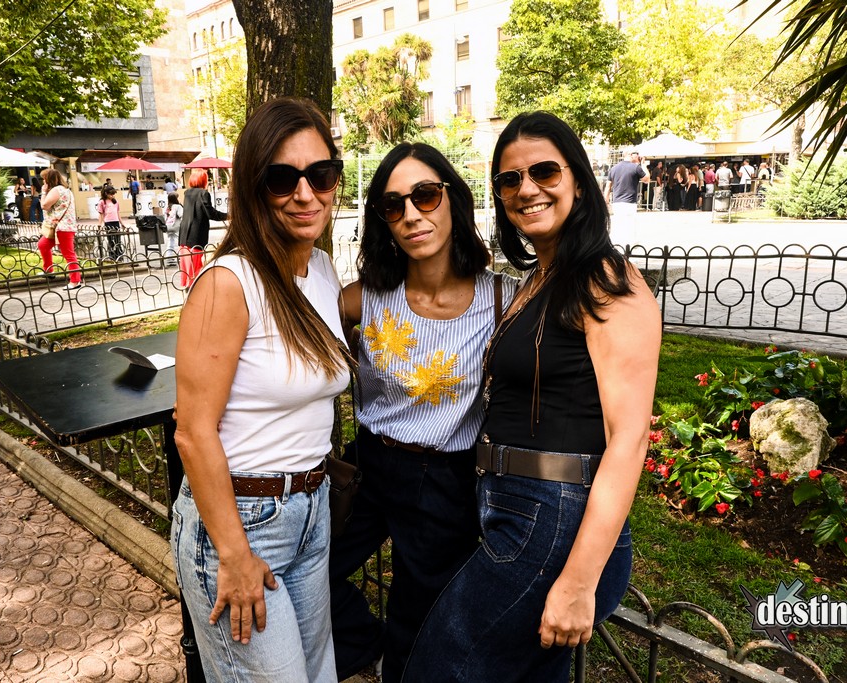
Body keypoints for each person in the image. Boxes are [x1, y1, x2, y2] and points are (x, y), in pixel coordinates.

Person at [401, 111, 661, 683]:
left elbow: (630, 437)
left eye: (544, 171)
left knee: (439, 669)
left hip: (553, 518)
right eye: (509, 179)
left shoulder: (607, 280)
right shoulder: (543, 277)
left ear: (578, 181)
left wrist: (578, 583)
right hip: (516, 505)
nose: (526, 189)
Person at [171, 97, 350, 683]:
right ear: (253, 186)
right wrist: (233, 552)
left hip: (311, 508)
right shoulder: (228, 284)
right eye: (282, 178)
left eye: (320, 174)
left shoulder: (320, 270)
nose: (305, 194)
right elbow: (192, 432)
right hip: (243, 520)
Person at [329, 143, 517, 683]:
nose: (411, 214)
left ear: (454, 199)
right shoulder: (363, 298)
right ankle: (367, 647)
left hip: (445, 480)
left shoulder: (503, 299)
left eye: (426, 196)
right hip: (367, 465)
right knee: (309, 573)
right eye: (393, 205)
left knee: (420, 614)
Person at [179, 168, 228, 287]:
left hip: (184, 234)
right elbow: (210, 213)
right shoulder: (203, 193)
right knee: (196, 267)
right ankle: (195, 289)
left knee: (187, 268)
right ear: (203, 180)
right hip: (196, 235)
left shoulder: (187, 193)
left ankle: (188, 288)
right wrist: (228, 216)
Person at [37, 168, 82, 291]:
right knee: (43, 245)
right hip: (61, 226)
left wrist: (43, 192)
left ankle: (75, 281)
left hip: (63, 227)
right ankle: (49, 270)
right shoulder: (65, 190)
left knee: (69, 254)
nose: (43, 181)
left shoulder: (56, 190)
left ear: (49, 179)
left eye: (44, 179)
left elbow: (44, 206)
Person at [603, 150, 646, 246]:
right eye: (636, 154)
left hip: (617, 202)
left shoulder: (614, 168)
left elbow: (608, 186)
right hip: (630, 202)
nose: (637, 156)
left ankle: (618, 245)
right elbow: (647, 179)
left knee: (619, 224)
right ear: (631, 155)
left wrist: (606, 200)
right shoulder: (636, 167)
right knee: (630, 225)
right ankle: (629, 246)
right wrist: (643, 164)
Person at [96, 186, 125, 260]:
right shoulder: (102, 202)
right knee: (110, 240)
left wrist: (122, 223)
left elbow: (118, 213)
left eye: (113, 194)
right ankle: (112, 256)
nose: (112, 196)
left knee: (118, 240)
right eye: (111, 194)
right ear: (106, 193)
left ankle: (119, 255)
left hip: (116, 222)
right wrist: (99, 224)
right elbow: (101, 214)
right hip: (108, 222)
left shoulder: (115, 202)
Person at [164, 192, 182, 267]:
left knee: (170, 241)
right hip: (176, 226)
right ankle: (181, 256)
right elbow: (182, 215)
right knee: (180, 241)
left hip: (168, 226)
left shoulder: (168, 207)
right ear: (175, 199)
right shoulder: (178, 206)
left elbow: (165, 217)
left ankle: (169, 257)